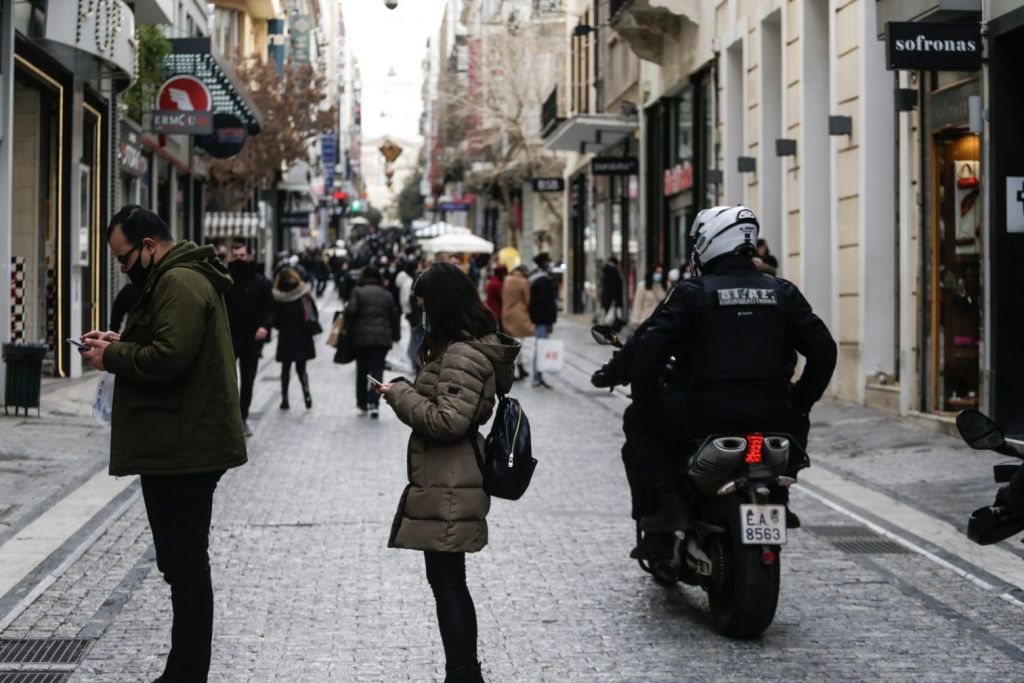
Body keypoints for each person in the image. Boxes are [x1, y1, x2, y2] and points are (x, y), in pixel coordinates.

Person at [79, 205, 246, 683]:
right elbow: (167, 343)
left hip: (185, 446)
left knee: (185, 563)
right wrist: (118, 342)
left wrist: (113, 356)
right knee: (181, 563)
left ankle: (187, 673)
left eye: (124, 258)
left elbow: (170, 357)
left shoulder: (179, 282)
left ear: (149, 246)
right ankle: (184, 670)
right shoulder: (174, 279)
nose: (122, 269)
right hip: (179, 440)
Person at [629, 205, 837, 532]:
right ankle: (779, 497)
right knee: (796, 423)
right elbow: (824, 351)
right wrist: (800, 401)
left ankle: (671, 504)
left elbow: (650, 351)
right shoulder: (783, 292)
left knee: (637, 421)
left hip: (706, 414)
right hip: (772, 415)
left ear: (710, 242)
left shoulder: (692, 293)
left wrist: (647, 402)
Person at [373, 262, 520, 683]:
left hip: (452, 478)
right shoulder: (462, 347)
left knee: (449, 582)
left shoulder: (462, 354)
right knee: (447, 580)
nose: (421, 312)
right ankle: (463, 671)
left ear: (440, 304)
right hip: (447, 476)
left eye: (424, 304)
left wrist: (400, 394)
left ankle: (463, 674)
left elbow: (448, 421)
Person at [225, 243, 274, 436]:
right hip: (229, 337)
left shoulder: (260, 282)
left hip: (251, 339)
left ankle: (242, 417)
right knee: (227, 381)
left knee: (248, 381)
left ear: (249, 257)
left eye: (242, 256)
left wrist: (264, 327)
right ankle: (228, 419)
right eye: (235, 256)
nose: (239, 259)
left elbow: (269, 308)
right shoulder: (225, 280)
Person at [345, 265, 400, 418]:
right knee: (377, 370)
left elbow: (350, 311)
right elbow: (394, 316)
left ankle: (362, 403)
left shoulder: (357, 291)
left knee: (362, 371)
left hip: (360, 339)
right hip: (382, 339)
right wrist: (396, 335)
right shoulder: (386, 294)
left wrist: (349, 327)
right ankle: (374, 404)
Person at [271, 267, 317, 410]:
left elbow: (274, 319)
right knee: (301, 369)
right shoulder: (303, 293)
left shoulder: (277, 296)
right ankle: (306, 390)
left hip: (286, 336)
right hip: (302, 336)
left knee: (285, 369)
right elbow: (313, 313)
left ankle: (285, 398)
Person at [528, 253, 557, 389]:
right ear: (544, 263)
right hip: (542, 321)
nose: (549, 264)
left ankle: (538, 377)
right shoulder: (544, 280)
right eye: (548, 261)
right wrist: (549, 322)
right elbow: (546, 303)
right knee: (541, 348)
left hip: (539, 319)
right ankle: (536, 378)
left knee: (541, 347)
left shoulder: (536, 278)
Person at [501, 264, 533, 381]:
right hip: (519, 314)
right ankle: (517, 369)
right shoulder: (524, 282)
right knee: (519, 344)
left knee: (511, 343)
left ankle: (518, 369)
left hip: (507, 313)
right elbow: (528, 300)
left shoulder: (507, 280)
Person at [628, 264, 666, 329]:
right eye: (657, 272)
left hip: (660, 321)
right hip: (645, 319)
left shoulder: (664, 286)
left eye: (661, 273)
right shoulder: (642, 285)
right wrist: (636, 320)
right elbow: (638, 303)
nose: (659, 274)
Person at [600, 256, 625, 330]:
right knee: (612, 314)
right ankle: (611, 328)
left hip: (608, 297)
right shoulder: (611, 270)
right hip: (612, 297)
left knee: (609, 314)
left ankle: (610, 327)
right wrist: (615, 298)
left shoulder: (607, 269)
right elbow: (613, 285)